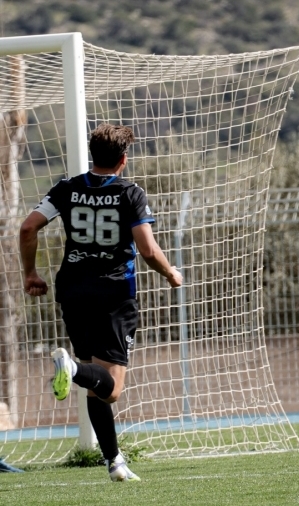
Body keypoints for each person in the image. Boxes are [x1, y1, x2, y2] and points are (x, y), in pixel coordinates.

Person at [19, 124, 183, 481]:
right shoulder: (130, 193)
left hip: (73, 290)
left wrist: (30, 273)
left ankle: (115, 462)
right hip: (113, 293)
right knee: (111, 389)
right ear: (123, 160)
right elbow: (147, 249)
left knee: (96, 381)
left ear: (94, 154)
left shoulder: (67, 188)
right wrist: (171, 273)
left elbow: (28, 228)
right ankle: (73, 371)